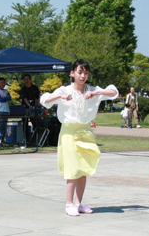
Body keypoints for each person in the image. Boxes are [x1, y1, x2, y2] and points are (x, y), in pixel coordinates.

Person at [40, 59, 118, 216]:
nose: (83, 76)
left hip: (85, 132)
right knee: (72, 168)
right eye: (80, 72)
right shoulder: (65, 90)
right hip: (69, 132)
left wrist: (97, 93)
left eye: (86, 73)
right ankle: (69, 204)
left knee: (83, 169)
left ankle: (78, 203)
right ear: (72, 73)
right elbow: (44, 101)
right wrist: (60, 97)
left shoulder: (92, 90)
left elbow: (114, 92)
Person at [0, 77, 12, 146]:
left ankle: (3, 139)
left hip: (6, 110)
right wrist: (5, 98)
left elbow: (10, 98)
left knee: (4, 125)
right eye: (1, 83)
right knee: (0, 125)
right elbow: (0, 99)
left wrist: (5, 98)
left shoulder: (6, 91)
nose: (3, 84)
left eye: (4, 83)